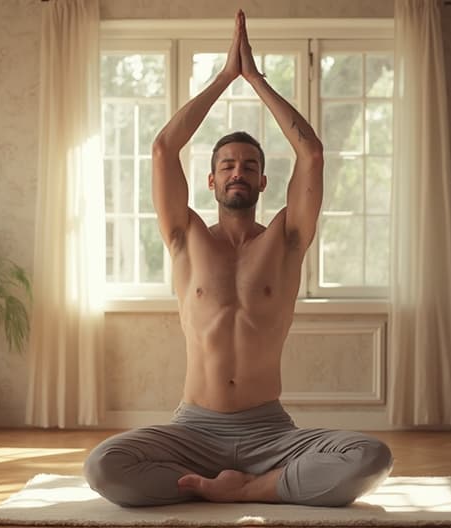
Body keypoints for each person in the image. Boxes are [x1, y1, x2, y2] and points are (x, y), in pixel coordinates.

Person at [84, 10, 392, 508]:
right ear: (210, 180)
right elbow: (163, 148)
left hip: (270, 431)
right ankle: (242, 485)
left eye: (250, 166)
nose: (237, 172)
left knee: (370, 454)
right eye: (226, 165)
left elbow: (310, 152)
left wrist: (256, 79)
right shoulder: (185, 237)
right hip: (192, 431)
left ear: (264, 182)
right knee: (103, 466)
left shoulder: (287, 239)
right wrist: (225, 77)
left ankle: (243, 487)